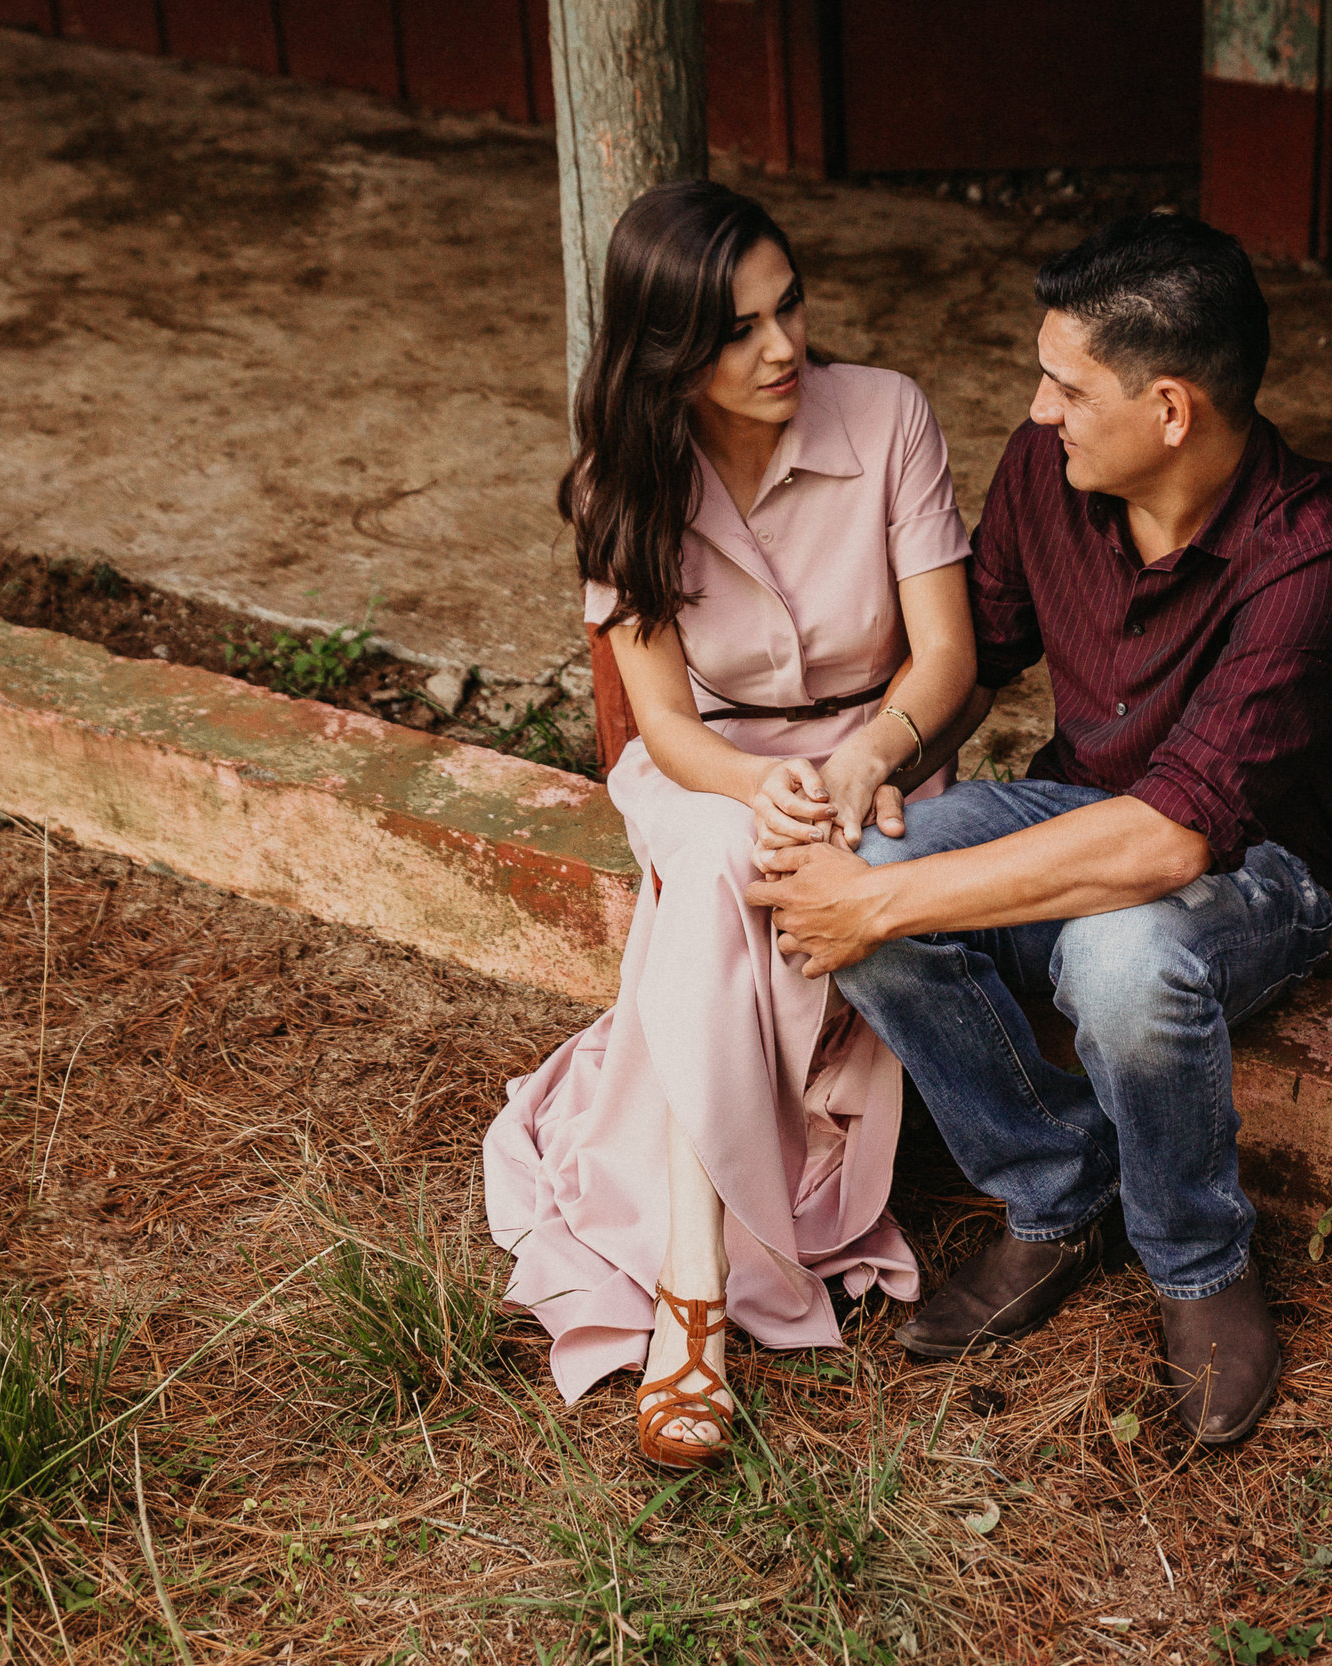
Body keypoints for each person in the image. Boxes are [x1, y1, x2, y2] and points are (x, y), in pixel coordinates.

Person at [747, 212, 1332, 1446]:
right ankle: (1052, 1187)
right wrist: (868, 760)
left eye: (1065, 385)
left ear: (1169, 408)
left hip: (1251, 872)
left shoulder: (1317, 555)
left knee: (1115, 954)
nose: (1038, 410)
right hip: (1080, 807)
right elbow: (971, 655)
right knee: (858, 858)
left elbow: (1170, 844)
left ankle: (1197, 1262)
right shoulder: (1054, 473)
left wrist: (881, 905)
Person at [483, 181, 975, 1469]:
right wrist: (760, 792)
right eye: (736, 331)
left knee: (786, 877)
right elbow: (665, 725)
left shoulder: (889, 416)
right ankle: (693, 1281)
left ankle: (693, 1279)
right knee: (715, 869)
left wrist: (864, 758)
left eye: (789, 305)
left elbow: (946, 662)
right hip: (710, 769)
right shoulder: (622, 479)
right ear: (666, 353)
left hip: (880, 755)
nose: (781, 348)